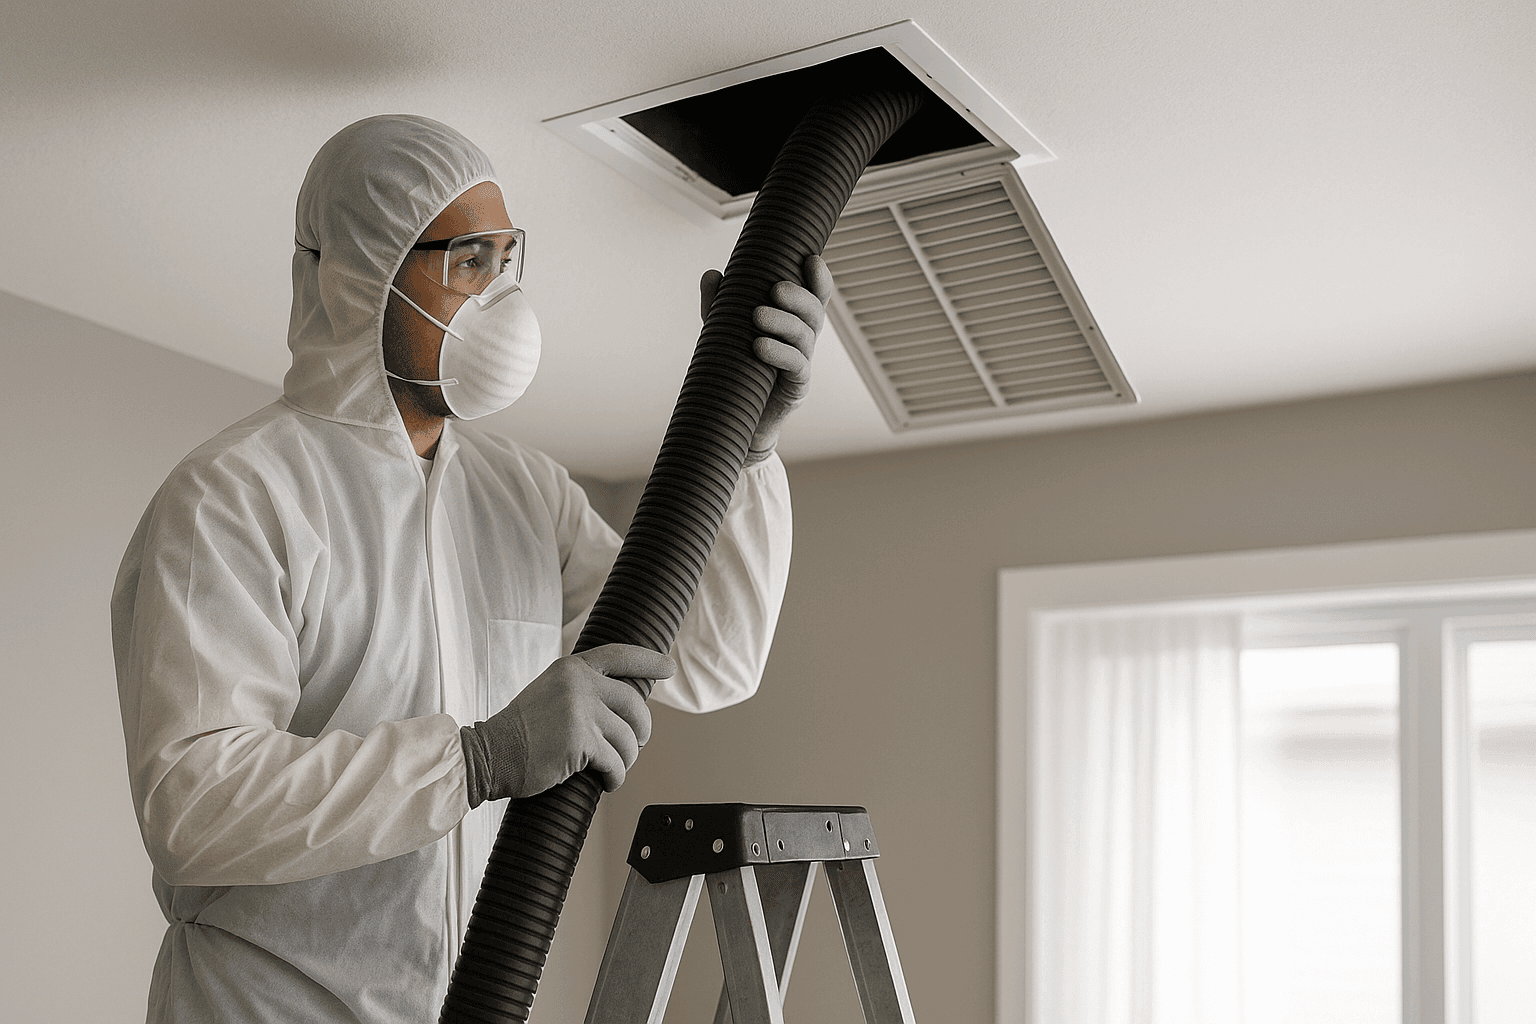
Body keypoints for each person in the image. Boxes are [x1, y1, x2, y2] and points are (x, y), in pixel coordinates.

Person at [110, 113, 832, 1024]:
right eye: (466, 263)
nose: (499, 296)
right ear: (357, 276)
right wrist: (479, 759)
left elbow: (710, 658)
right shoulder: (235, 496)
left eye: (505, 260)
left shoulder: (526, 496)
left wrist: (749, 449)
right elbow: (195, 808)